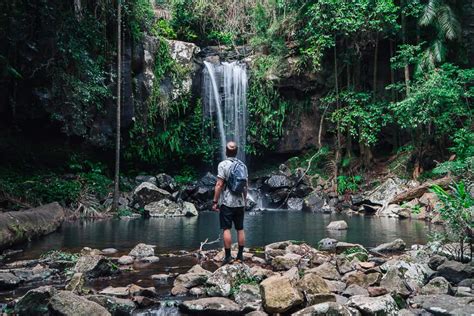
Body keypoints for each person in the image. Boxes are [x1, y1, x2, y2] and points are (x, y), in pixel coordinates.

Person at [212, 141, 248, 265]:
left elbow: (219, 184)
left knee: (226, 229)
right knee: (240, 229)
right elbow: (245, 186)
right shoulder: (242, 165)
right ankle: (240, 256)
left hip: (227, 202)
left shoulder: (223, 165)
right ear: (236, 152)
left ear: (226, 152)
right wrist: (245, 200)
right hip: (240, 203)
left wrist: (215, 201)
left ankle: (228, 257)